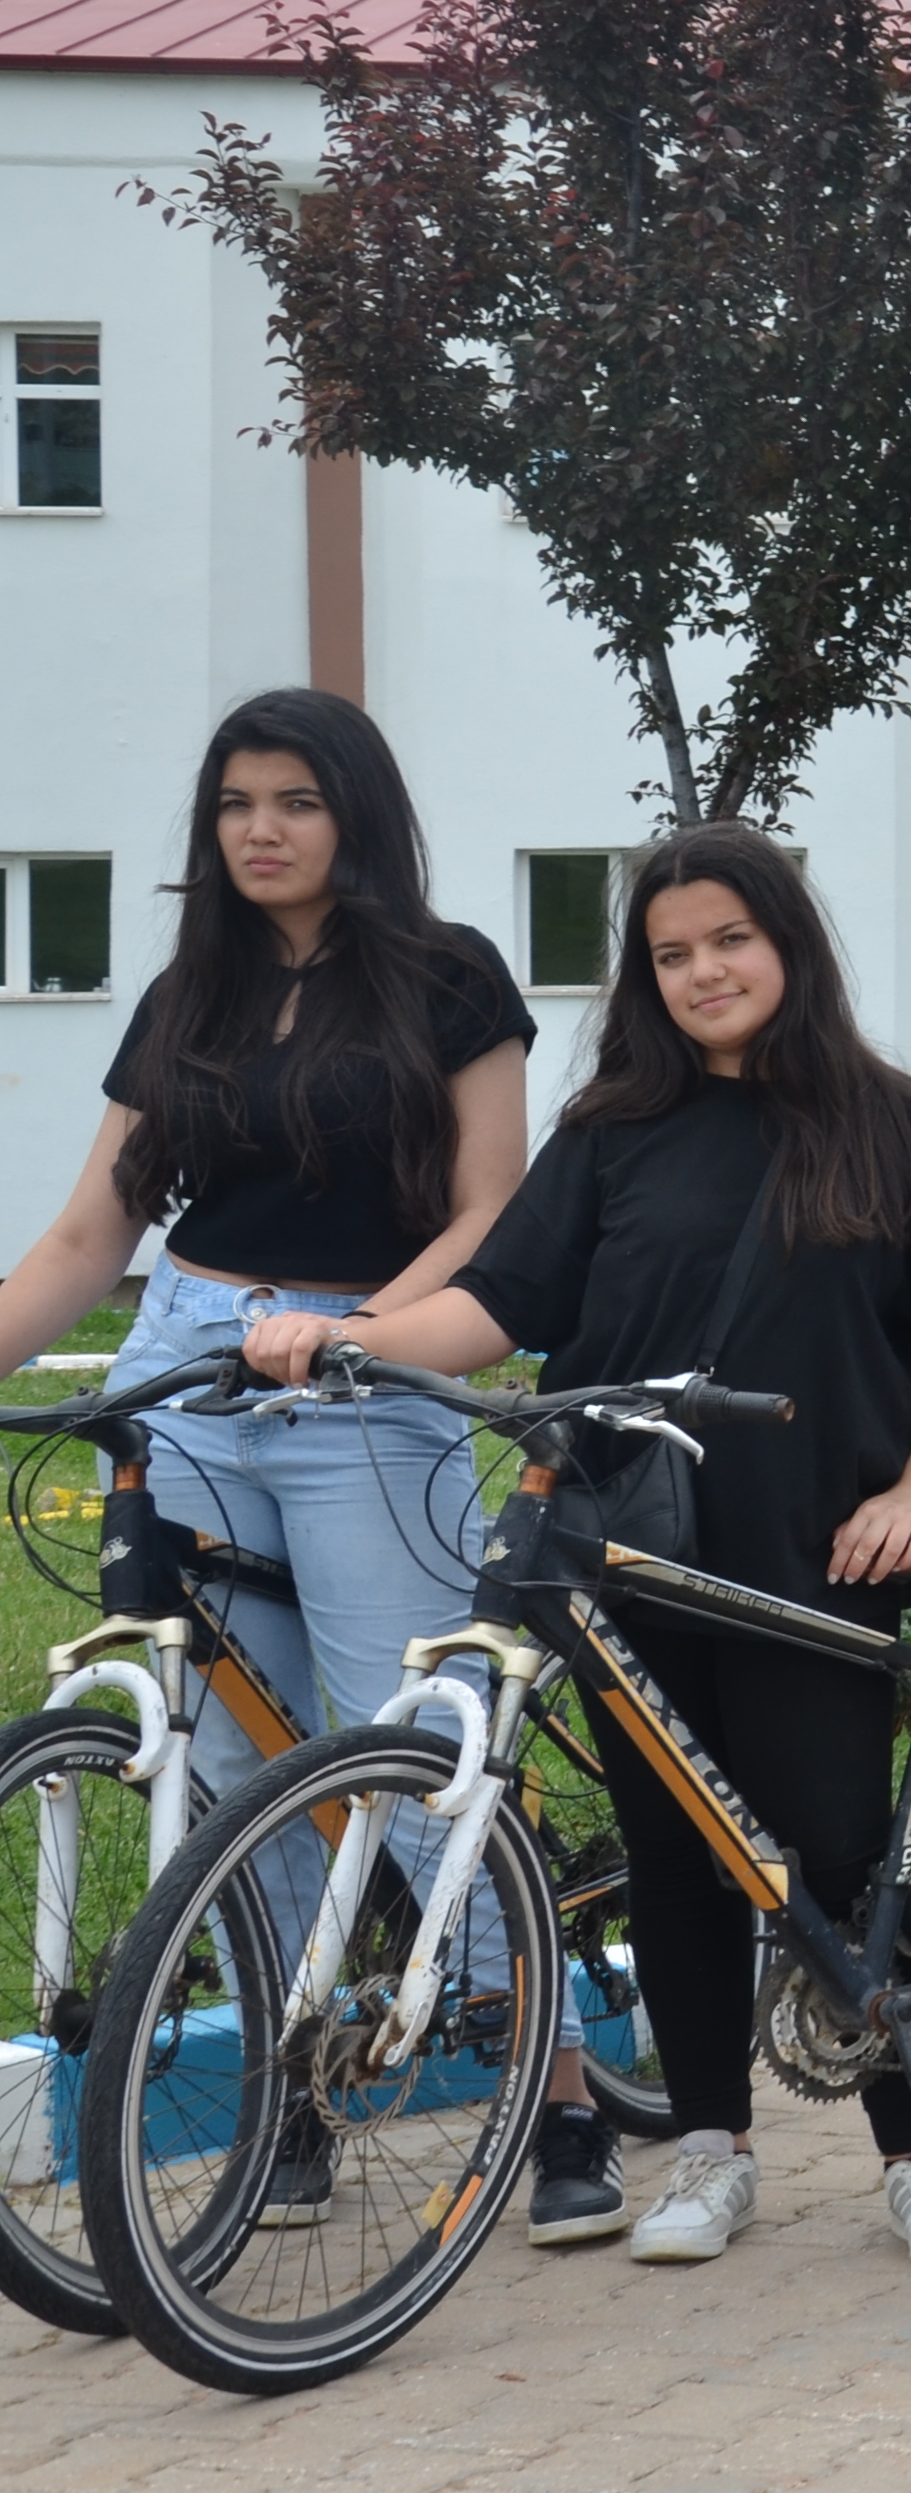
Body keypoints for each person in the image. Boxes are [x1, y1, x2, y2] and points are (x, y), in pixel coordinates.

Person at [243, 823, 911, 2271]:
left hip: (813, 1550)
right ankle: (712, 2151)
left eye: (728, 940)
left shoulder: (896, 1125)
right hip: (626, 1548)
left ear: (787, 942)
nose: (702, 972)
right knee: (673, 1857)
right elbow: (492, 1304)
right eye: (670, 955)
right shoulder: (610, 1132)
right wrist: (344, 1339)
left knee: (840, 1858)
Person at [0, 691, 547, 2222]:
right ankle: (291, 2095)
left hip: (371, 1370)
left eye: (295, 801)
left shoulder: (451, 980)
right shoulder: (191, 995)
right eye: (237, 802)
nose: (261, 829)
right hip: (191, 1360)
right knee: (236, 1750)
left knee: (414, 1738)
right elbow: (86, 1234)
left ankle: (546, 2082)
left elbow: (492, 1207)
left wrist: (361, 1325)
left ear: (353, 814)